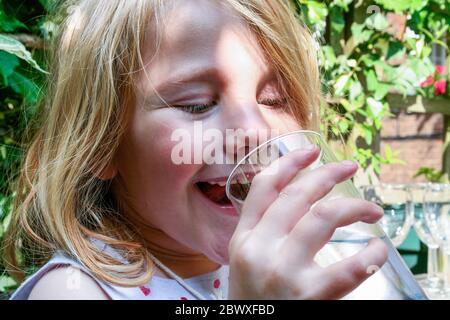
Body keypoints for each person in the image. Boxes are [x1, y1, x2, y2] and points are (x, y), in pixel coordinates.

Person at [3, 0, 387, 300]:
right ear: (102, 146)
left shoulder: (305, 261)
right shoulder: (74, 289)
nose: (254, 131)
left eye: (275, 98)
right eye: (197, 105)